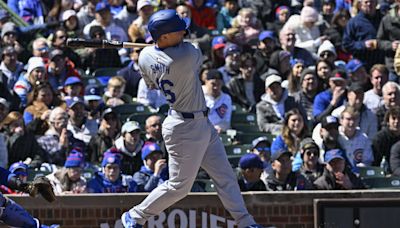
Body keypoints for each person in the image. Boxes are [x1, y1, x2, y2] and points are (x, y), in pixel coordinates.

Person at [121, 9, 262, 228]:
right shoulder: (186, 56)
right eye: (178, 30)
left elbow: (150, 79)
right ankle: (135, 216)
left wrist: (155, 50)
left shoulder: (145, 56)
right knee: (179, 186)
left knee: (225, 176)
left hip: (200, 122)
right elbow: (193, 48)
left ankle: (246, 222)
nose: (184, 32)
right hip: (183, 127)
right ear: (165, 36)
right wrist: (158, 50)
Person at [337, 106, 374, 172]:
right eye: (348, 119)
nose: (351, 122)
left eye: (354, 119)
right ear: (341, 120)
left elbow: (368, 161)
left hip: (358, 173)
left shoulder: (363, 138)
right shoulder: (337, 136)